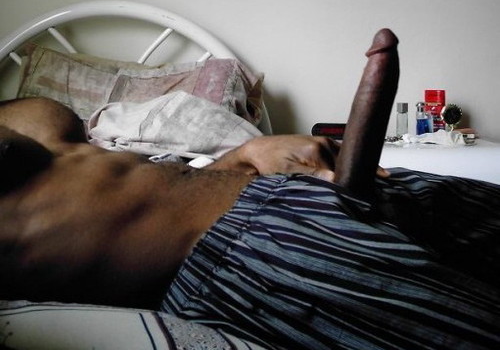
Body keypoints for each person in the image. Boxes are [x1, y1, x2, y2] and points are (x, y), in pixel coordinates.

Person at [0, 29, 498, 350]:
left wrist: (245, 155)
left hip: (292, 189)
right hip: (255, 252)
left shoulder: (44, 126)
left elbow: (134, 189)